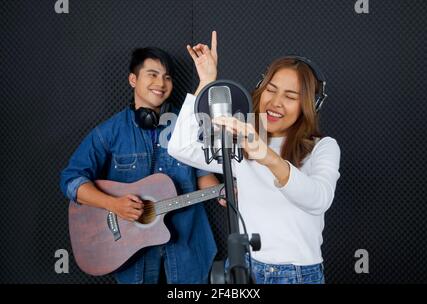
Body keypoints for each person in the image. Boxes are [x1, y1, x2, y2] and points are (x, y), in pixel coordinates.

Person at [168, 31, 341, 284]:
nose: (276, 102)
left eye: (291, 97)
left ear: (309, 105)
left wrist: (266, 156)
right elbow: (180, 147)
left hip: (295, 275)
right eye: (271, 90)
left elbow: (318, 199)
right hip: (243, 266)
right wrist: (206, 81)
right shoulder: (243, 140)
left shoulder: (323, 147)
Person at [60, 47, 219, 284]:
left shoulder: (187, 124)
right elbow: (71, 181)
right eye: (152, 75)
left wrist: (223, 193)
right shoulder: (109, 132)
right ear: (133, 79)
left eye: (167, 77)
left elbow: (204, 176)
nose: (161, 83)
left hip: (188, 244)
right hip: (131, 251)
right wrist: (113, 204)